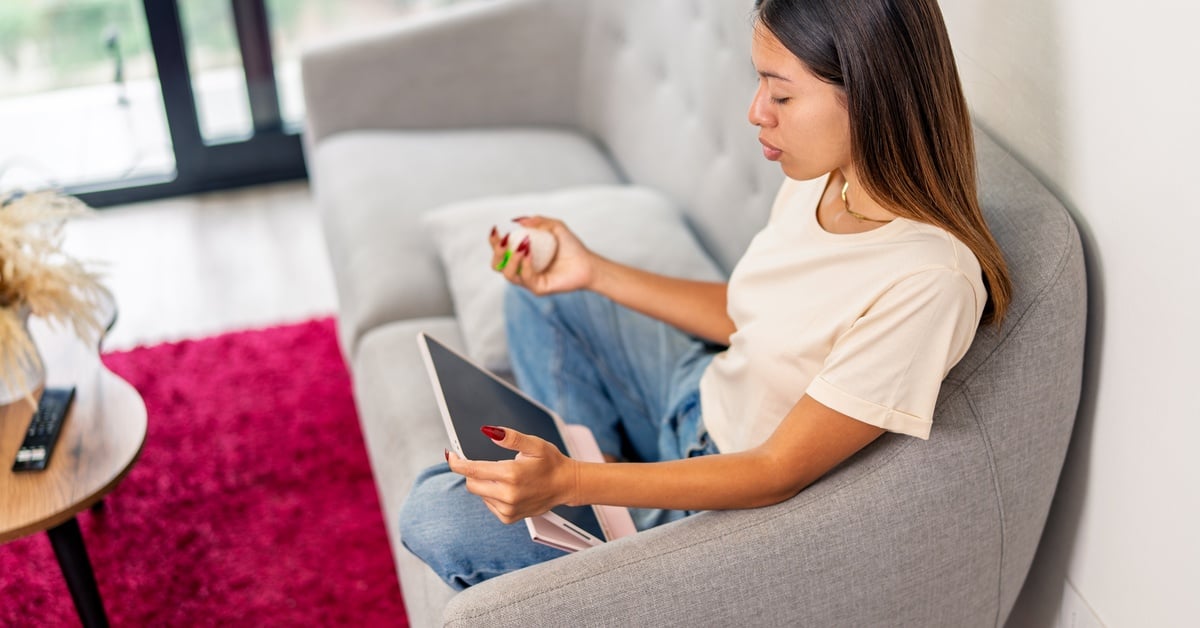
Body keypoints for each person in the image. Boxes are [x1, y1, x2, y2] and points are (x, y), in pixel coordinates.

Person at [399, 0, 1013, 591]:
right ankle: (602, 515)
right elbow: (752, 317)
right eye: (759, 85)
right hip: (697, 396)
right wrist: (590, 271)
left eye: (782, 94)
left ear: (873, 97)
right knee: (543, 296)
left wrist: (573, 483)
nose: (756, 112)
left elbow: (775, 472)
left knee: (434, 511)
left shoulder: (930, 281)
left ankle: (603, 520)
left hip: (726, 487)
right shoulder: (829, 176)